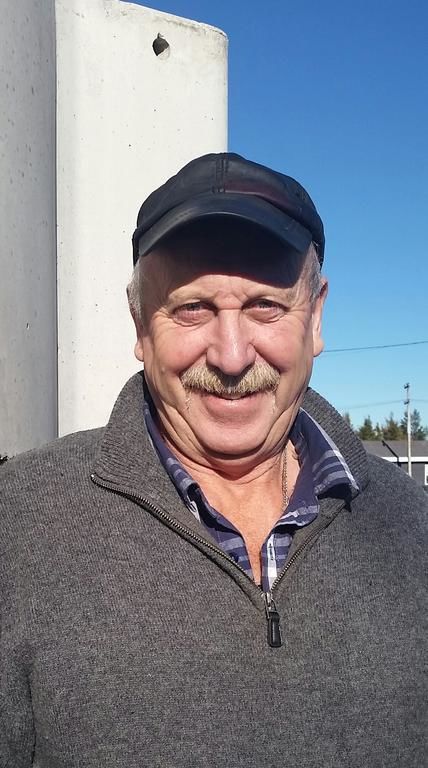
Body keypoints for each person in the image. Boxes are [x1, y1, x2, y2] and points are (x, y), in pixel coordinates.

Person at [0, 153, 426, 768]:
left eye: (265, 306)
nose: (231, 356)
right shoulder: (19, 522)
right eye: (192, 308)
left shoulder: (412, 524)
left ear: (315, 318)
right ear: (141, 326)